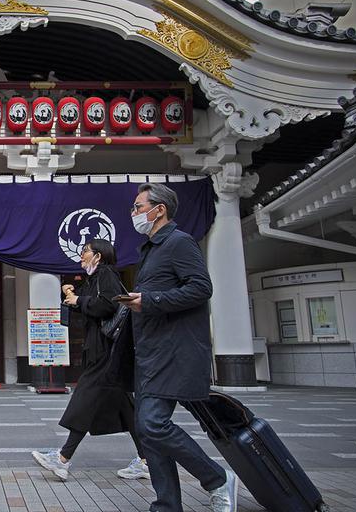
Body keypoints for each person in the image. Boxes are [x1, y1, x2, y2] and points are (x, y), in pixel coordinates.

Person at [119, 183, 237, 512]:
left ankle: (216, 478)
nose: (135, 213)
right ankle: (167, 505)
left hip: (172, 353)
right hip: (149, 353)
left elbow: (201, 288)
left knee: (154, 424)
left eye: (139, 207)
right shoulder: (152, 249)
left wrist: (151, 300)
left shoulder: (179, 242)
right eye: (134, 208)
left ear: (160, 210)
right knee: (148, 432)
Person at [32, 238, 147, 482]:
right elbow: (87, 305)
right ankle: (146, 460)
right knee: (126, 408)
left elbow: (107, 305)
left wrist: (79, 300)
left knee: (85, 398)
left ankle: (62, 458)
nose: (81, 256)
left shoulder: (106, 274)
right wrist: (72, 297)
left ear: (99, 256)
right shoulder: (95, 278)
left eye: (85, 252)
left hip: (106, 351)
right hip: (102, 349)